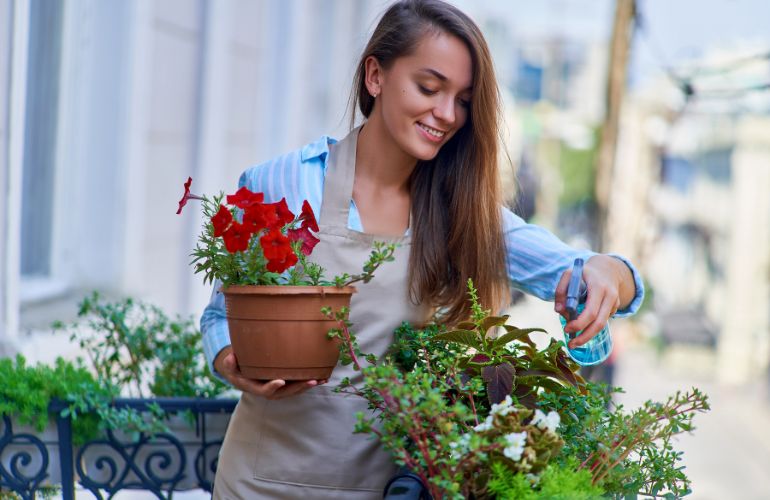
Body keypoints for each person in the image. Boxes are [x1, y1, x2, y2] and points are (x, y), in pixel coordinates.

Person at [201, 0, 644, 498]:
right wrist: (229, 361)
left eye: (462, 100)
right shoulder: (282, 183)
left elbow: (583, 271)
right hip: (260, 483)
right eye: (429, 88)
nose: (446, 114)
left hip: (384, 490)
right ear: (375, 75)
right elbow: (221, 316)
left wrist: (610, 272)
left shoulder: (461, 217)